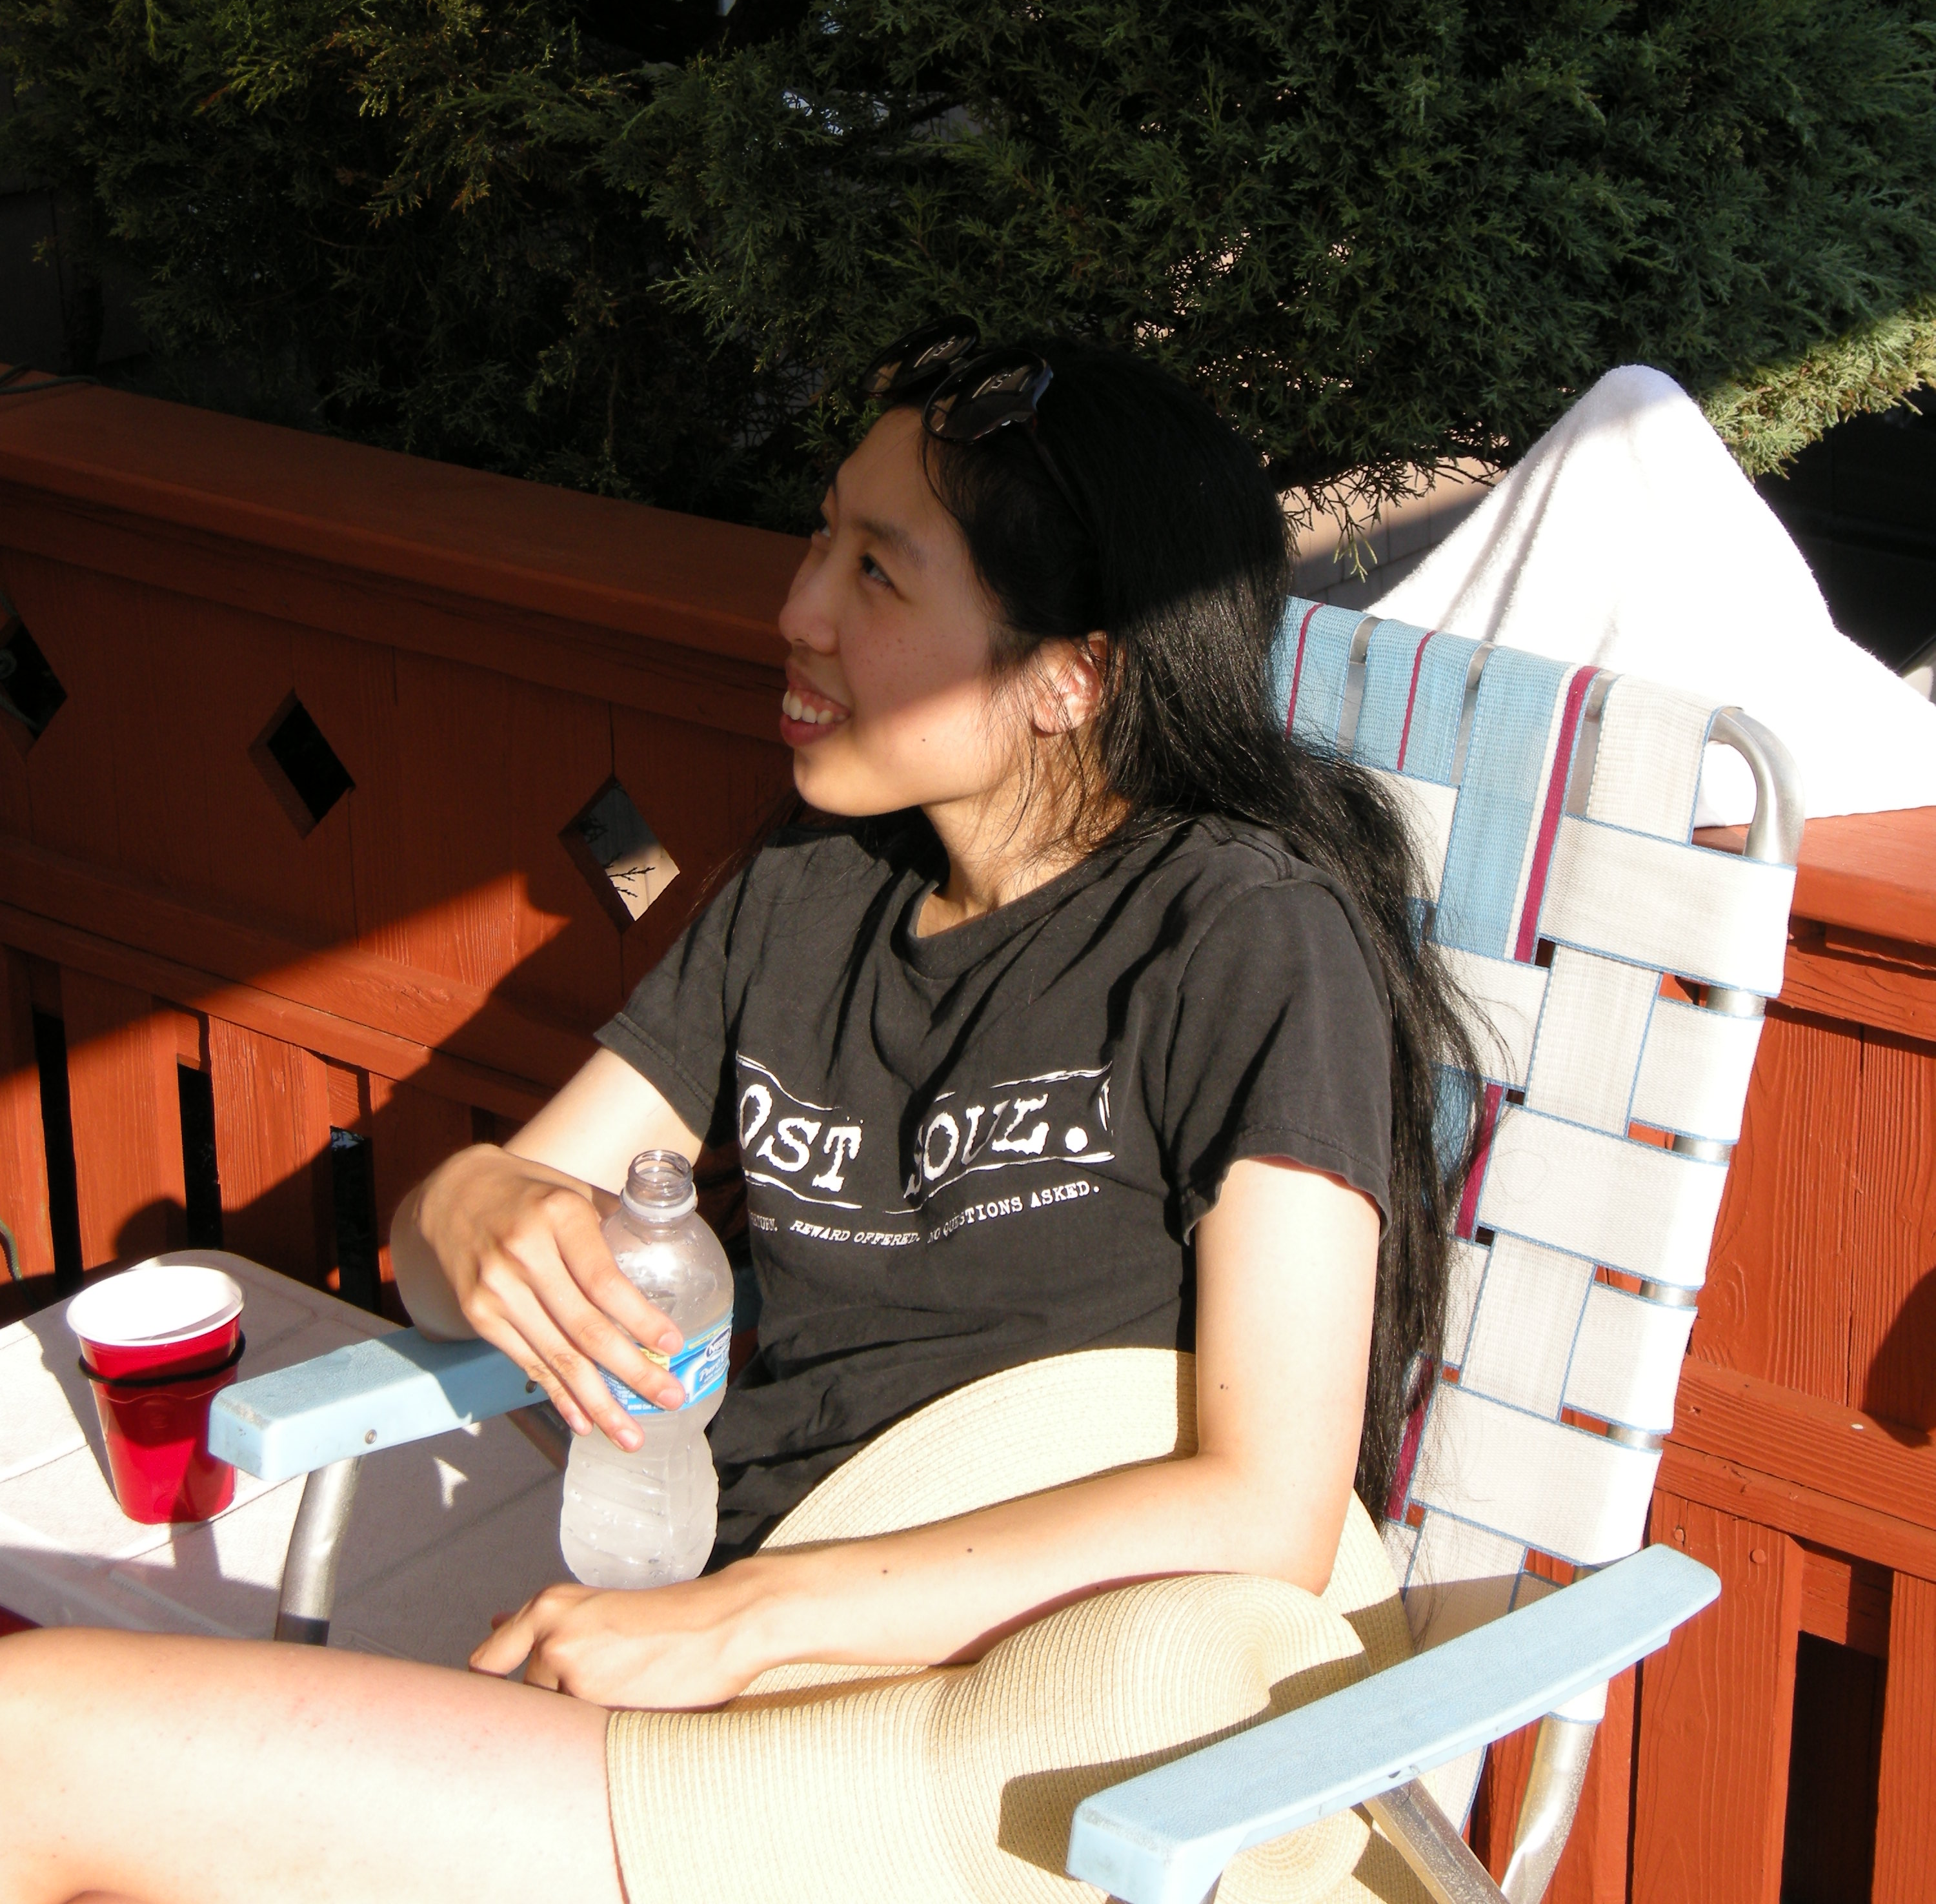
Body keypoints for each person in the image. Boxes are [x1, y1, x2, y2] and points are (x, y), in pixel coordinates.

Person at [0, 328, 1475, 1904]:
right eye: (819, 538)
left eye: (878, 572)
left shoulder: (1239, 936)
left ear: (1072, 673)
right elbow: (453, 1248)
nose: (799, 609)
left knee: (37, 1744)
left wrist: (742, 1619)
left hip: (1028, 1742)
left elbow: (1268, 1505)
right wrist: (476, 1204)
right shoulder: (812, 890)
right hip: (771, 1693)